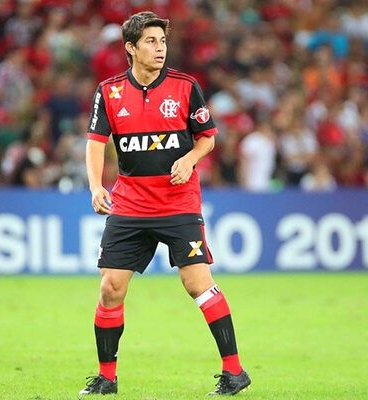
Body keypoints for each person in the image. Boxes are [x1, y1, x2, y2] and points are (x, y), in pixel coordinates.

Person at [80, 11, 251, 396]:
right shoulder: (109, 92)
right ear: (131, 48)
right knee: (110, 288)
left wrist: (189, 158)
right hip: (130, 203)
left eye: (163, 42)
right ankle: (107, 378)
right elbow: (94, 143)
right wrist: (95, 186)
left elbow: (207, 136)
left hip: (179, 202)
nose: (160, 49)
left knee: (197, 283)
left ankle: (235, 372)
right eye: (151, 42)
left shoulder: (185, 87)